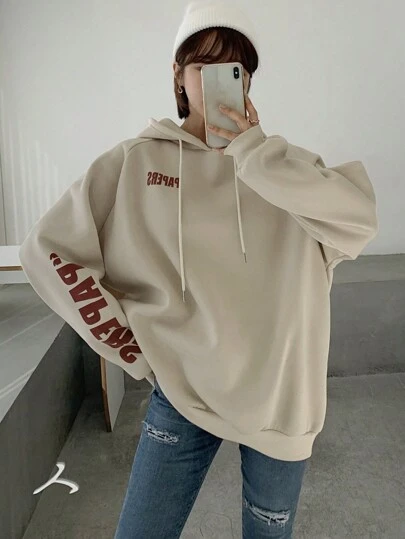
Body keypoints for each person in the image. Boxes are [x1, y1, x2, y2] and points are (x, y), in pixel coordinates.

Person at [18, 1, 379, 537]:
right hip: (183, 395)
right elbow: (48, 251)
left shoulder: (287, 169)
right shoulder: (138, 162)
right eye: (203, 66)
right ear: (178, 75)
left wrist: (254, 155)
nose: (218, 81)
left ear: (248, 81)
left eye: (235, 69)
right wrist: (133, 350)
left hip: (281, 404)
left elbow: (359, 221)